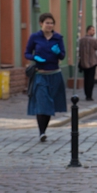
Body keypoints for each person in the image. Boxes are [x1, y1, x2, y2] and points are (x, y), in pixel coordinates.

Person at [25, 13, 67, 142]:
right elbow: (27, 53)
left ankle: (44, 130)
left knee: (49, 104)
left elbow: (62, 56)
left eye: (51, 23)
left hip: (54, 74)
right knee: (42, 102)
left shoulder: (58, 38)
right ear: (41, 23)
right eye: (47, 23)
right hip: (40, 74)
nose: (49, 25)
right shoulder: (35, 37)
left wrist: (58, 52)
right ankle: (41, 132)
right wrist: (34, 57)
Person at [78, 25, 97, 101]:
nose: (93, 32)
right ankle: (89, 96)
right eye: (92, 30)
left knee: (86, 79)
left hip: (83, 62)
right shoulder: (93, 40)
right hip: (92, 62)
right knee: (91, 79)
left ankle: (86, 94)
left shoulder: (81, 40)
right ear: (88, 31)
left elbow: (78, 51)